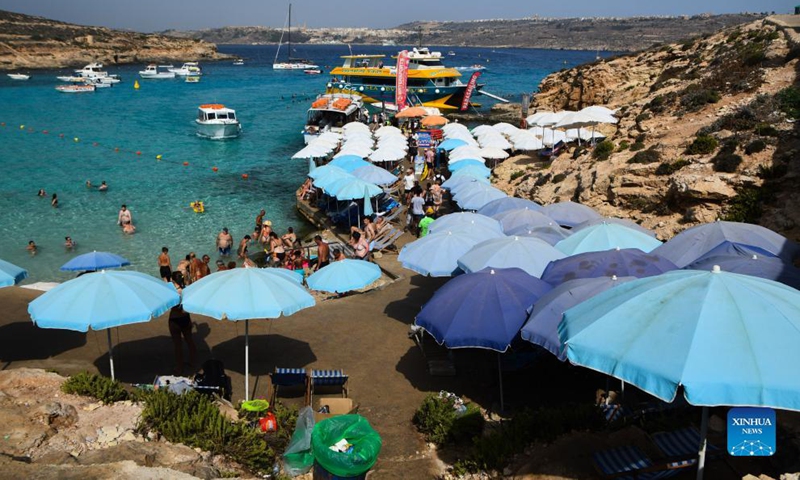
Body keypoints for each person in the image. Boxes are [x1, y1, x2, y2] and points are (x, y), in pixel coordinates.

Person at [168, 272, 197, 375]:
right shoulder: (186, 290)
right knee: (189, 340)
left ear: (173, 280)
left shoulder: (172, 292)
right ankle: (193, 361)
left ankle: (179, 368)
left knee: (177, 345)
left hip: (175, 319)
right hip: (185, 318)